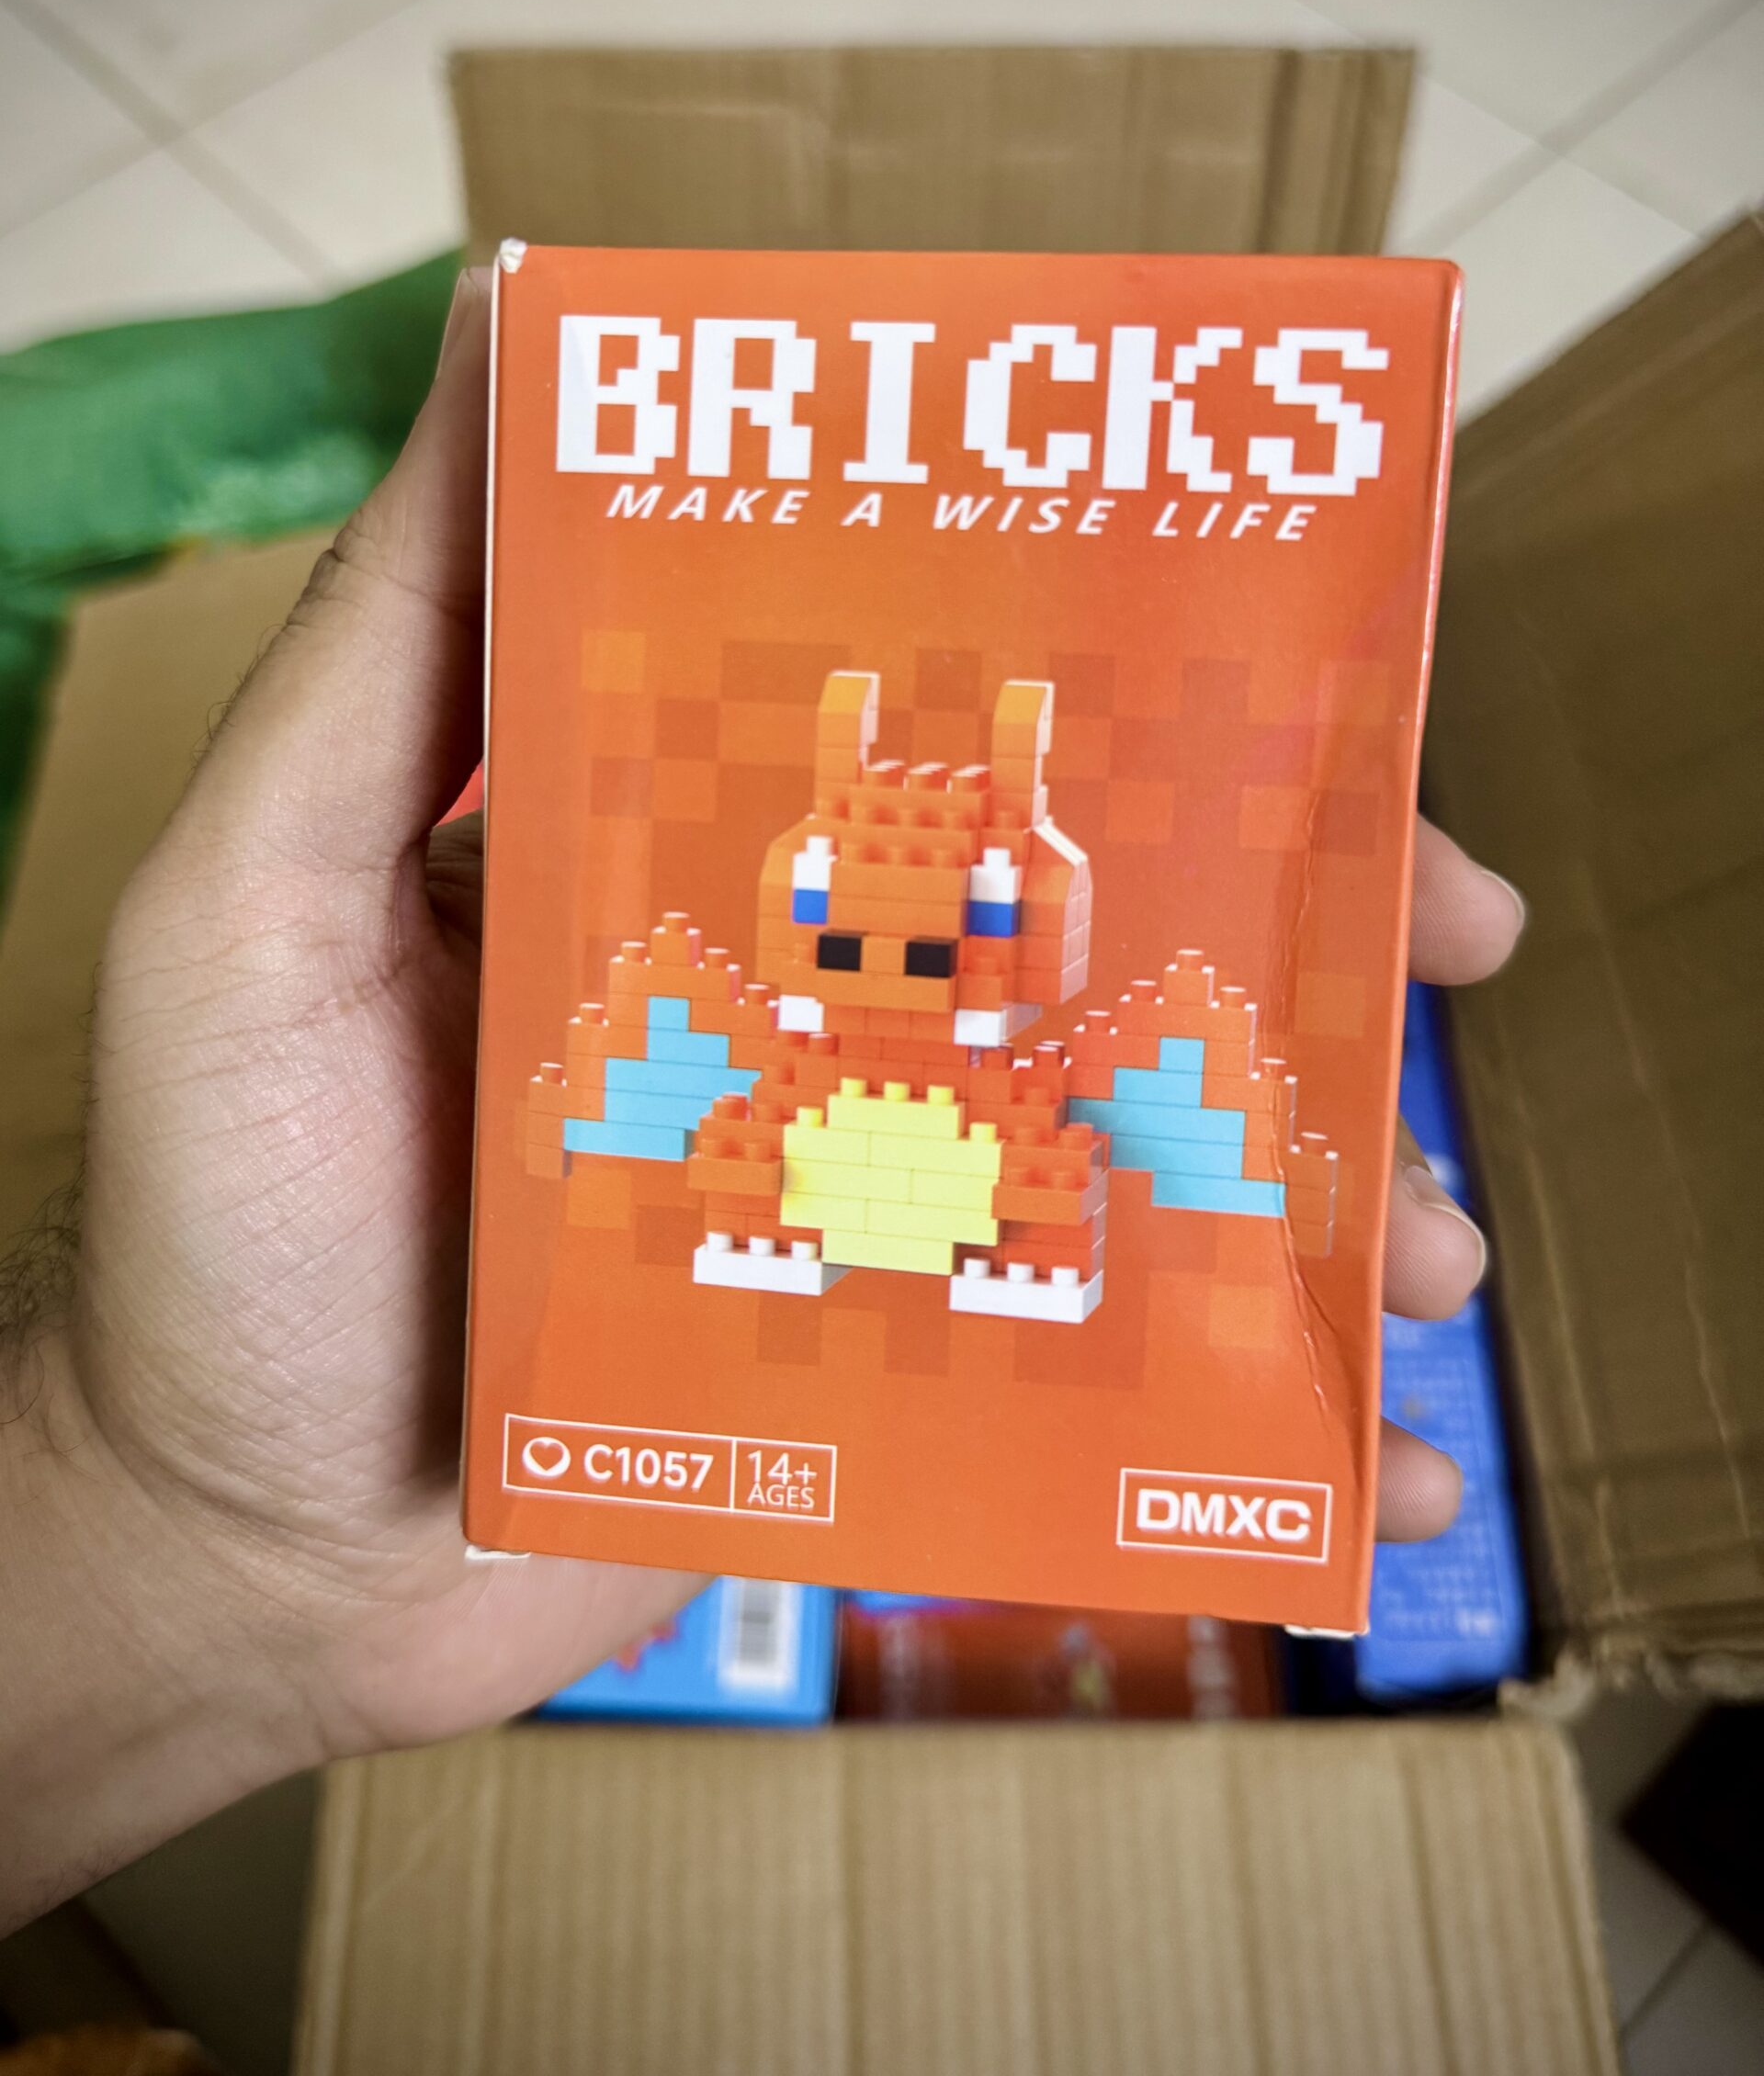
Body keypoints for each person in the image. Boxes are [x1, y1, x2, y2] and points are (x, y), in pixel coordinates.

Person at [0, 272, 1522, 1933]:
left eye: (939, 931)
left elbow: (1109, 1093)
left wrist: (182, 1548)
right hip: (800, 1174)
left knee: (1065, 1141)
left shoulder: (1056, 1003)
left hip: (981, 1170)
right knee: (763, 1133)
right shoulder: (747, 973)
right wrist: (181, 1532)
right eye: (857, 928)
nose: (898, 955)